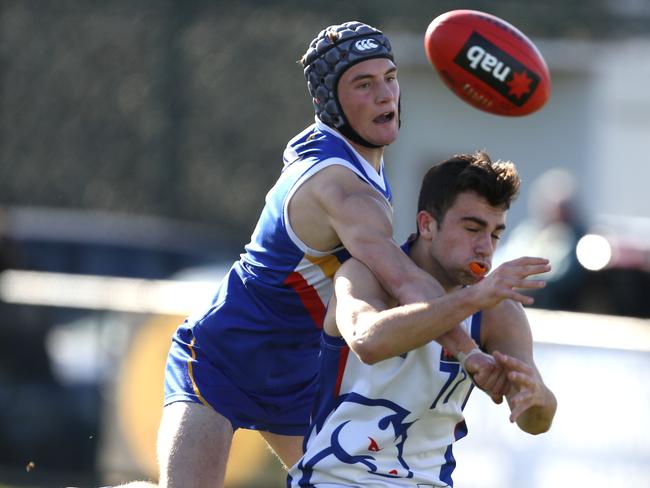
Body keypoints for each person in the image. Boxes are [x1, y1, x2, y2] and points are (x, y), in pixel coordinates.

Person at [109, 22, 504, 488]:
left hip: (299, 372)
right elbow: (405, 281)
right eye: (364, 84)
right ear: (329, 103)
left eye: (390, 77)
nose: (386, 95)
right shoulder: (340, 188)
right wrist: (471, 352)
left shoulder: (356, 156)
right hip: (227, 356)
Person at [288, 151, 557, 487]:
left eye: (495, 234)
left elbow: (536, 420)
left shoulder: (498, 312)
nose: (485, 247)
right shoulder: (364, 273)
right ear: (427, 224)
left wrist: (536, 399)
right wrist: (471, 299)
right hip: (336, 480)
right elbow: (368, 341)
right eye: (473, 228)